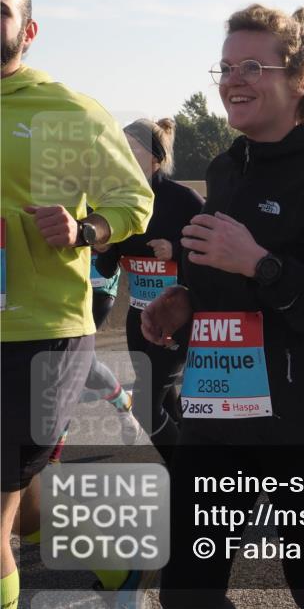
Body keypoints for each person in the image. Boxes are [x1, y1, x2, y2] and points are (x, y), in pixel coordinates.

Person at [142, 3, 304, 608]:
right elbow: (229, 285)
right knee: (187, 592)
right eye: (224, 67)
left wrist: (259, 263)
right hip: (219, 411)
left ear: (299, 81)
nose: (232, 80)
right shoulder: (227, 169)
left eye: (251, 65)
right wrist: (185, 300)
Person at [1, 0, 153, 609]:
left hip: (40, 331)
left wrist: (85, 228)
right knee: (28, 506)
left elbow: (133, 202)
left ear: (27, 32)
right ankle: (117, 566)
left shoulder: (68, 112)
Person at [94, 118, 205, 462]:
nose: (123, 154)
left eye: (133, 149)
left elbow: (212, 258)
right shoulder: (118, 200)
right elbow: (108, 265)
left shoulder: (183, 200)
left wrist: (176, 249)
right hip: (138, 317)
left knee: (143, 403)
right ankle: (200, 470)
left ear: (156, 159)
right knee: (165, 400)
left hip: (175, 318)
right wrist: (101, 246)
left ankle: (187, 476)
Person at [49, 254, 140, 463]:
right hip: (57, 288)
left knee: (65, 369)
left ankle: (52, 457)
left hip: (97, 286)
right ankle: (123, 401)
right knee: (85, 368)